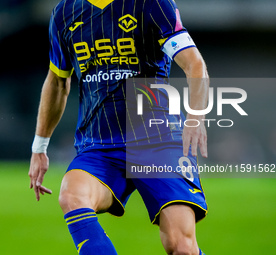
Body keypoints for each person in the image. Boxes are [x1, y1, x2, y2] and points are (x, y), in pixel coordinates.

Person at [28, 0, 209, 254]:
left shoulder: (152, 3)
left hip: (158, 139)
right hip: (100, 145)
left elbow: (195, 64)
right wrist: (40, 146)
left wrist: (195, 118)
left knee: (181, 247)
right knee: (71, 195)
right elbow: (58, 81)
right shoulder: (65, 12)